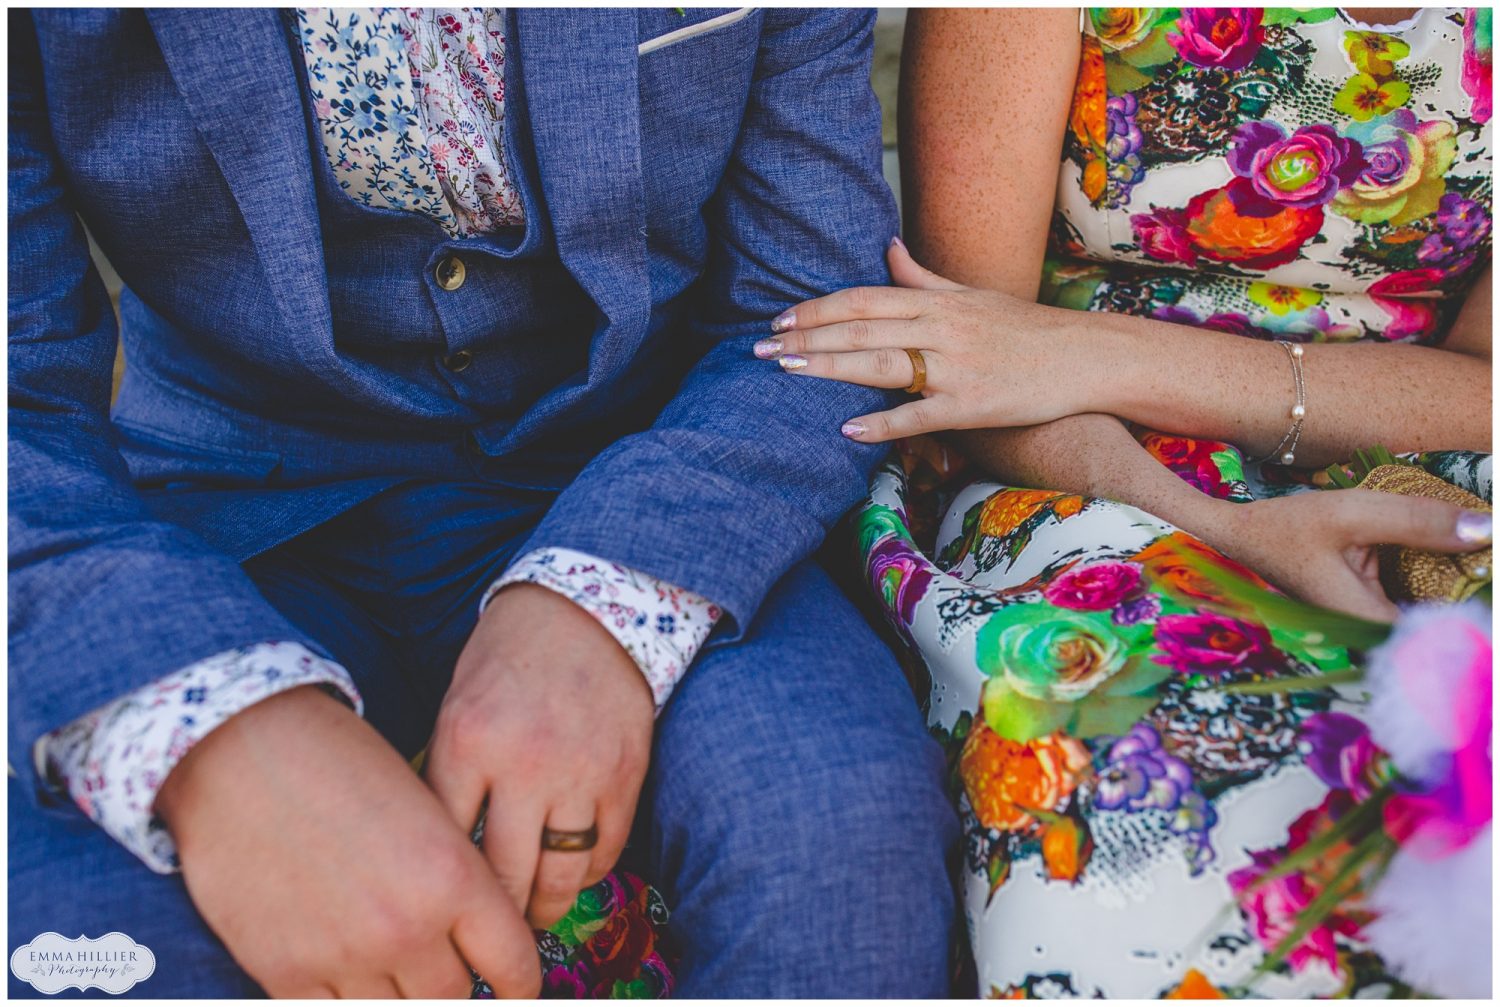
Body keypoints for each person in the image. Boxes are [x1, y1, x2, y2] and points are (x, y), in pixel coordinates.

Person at [8, 8, 958, 998]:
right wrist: (214, 729)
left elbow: (807, 299)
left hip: (648, 458)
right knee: (77, 940)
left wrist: (610, 594)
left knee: (836, 824)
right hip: (226, 504)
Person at [759, 6, 1492, 998]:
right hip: (1084, 470)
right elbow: (972, 360)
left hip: (1434, 469)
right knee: (1153, 817)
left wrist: (1096, 351)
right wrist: (1229, 527)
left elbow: (1484, 386)